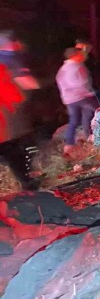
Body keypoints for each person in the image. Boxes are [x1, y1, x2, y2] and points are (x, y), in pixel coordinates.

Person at [0, 31, 40, 189]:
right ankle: (28, 183)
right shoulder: (4, 67)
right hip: (5, 125)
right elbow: (14, 95)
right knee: (13, 153)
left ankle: (26, 181)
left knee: (12, 152)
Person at [56, 47, 100, 155]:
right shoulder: (76, 67)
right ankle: (96, 135)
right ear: (75, 55)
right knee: (99, 111)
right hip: (82, 97)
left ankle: (69, 144)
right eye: (80, 54)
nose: (82, 56)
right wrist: (88, 92)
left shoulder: (63, 69)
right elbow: (79, 83)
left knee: (75, 119)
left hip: (69, 100)